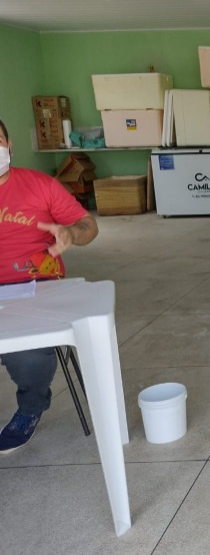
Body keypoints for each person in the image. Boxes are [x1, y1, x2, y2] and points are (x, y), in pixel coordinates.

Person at [0, 118, 99, 454]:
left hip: (36, 284)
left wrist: (72, 233)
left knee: (28, 354)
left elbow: (88, 226)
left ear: (9, 145)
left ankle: (30, 409)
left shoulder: (39, 185)